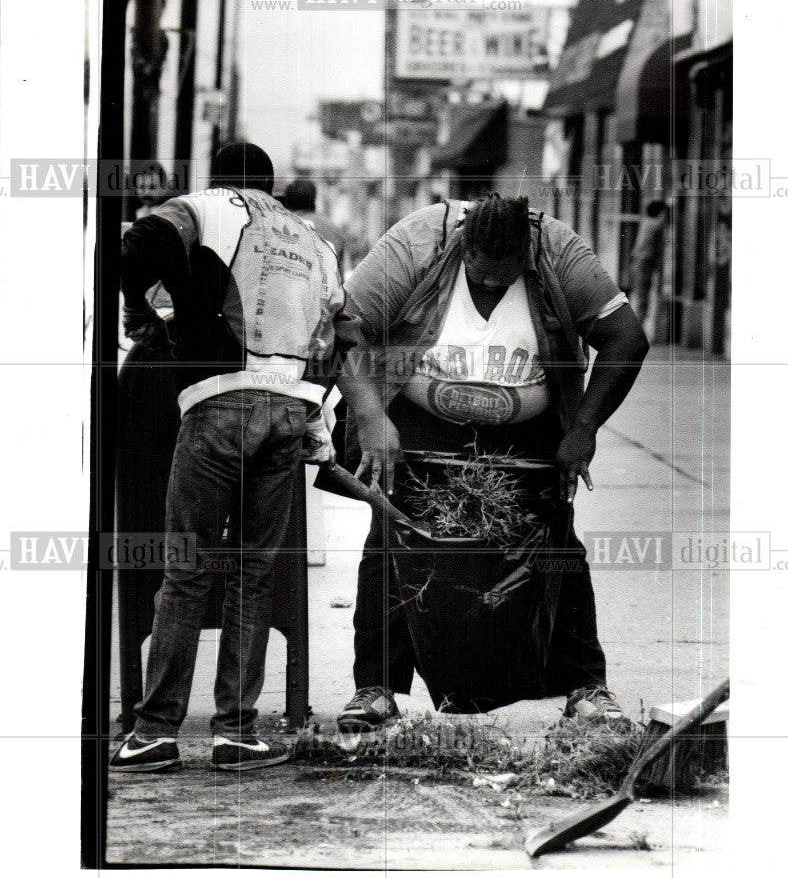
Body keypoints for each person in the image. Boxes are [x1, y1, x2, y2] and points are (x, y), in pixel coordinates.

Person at [111, 142, 398, 772]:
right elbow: (344, 338)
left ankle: (154, 731)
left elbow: (132, 248)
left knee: (186, 570)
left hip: (218, 406)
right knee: (252, 573)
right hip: (288, 416)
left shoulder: (207, 209)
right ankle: (236, 731)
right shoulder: (314, 243)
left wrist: (137, 308)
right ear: (273, 184)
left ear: (219, 179)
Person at [335, 194, 649, 732]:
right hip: (419, 420)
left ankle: (587, 688)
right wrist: (368, 415)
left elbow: (627, 338)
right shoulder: (418, 243)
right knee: (391, 535)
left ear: (526, 256)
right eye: (480, 278)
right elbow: (342, 326)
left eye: (504, 281)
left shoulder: (557, 250)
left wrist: (583, 428)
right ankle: (376, 688)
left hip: (526, 430)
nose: (490, 288)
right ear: (463, 246)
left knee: (554, 543)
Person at [283, 177, 347, 269]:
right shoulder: (333, 229)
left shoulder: (284, 226)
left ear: (287, 201)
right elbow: (340, 273)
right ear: (314, 199)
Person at [629, 199, 668, 323]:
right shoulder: (652, 223)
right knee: (642, 297)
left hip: (641, 261)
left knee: (641, 296)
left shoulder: (646, 222)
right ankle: (637, 326)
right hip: (643, 262)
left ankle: (638, 324)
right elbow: (661, 223)